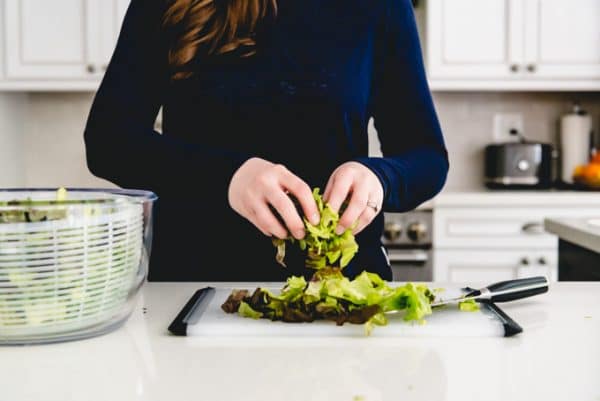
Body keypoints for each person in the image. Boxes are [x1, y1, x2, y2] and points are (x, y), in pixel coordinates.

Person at [84, 0, 448, 282]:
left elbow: (426, 156)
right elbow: (109, 139)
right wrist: (228, 177)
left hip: (340, 288)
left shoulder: (379, 6)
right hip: (195, 285)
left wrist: (380, 178)